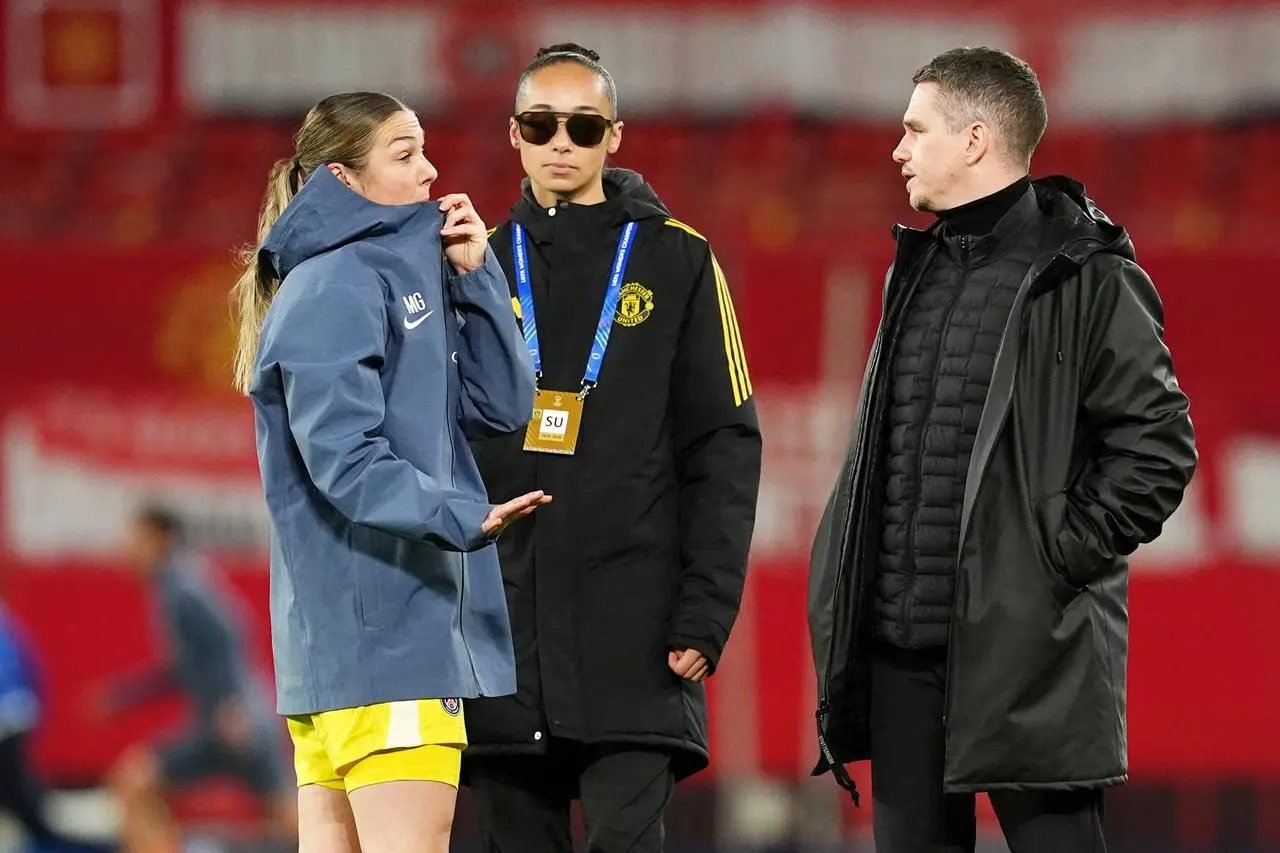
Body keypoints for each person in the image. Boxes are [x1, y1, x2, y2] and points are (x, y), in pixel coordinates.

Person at [807, 47, 1197, 853]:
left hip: (1029, 647)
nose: (898, 149)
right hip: (902, 651)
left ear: (976, 138)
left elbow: (1157, 446)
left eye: (916, 129)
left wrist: (1050, 561)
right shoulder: (911, 268)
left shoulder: (1087, 274)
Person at [461, 44, 763, 853]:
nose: (563, 141)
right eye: (542, 123)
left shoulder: (678, 258)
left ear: (615, 137)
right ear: (514, 135)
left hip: (636, 637)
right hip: (503, 640)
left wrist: (707, 609)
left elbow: (726, 445)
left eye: (584, 125)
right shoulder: (475, 264)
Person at [231, 91, 548, 853]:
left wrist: (476, 277)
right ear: (342, 179)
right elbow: (345, 457)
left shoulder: (384, 275)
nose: (430, 172)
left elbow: (505, 406)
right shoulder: (340, 282)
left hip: (350, 650)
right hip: (388, 640)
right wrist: (461, 515)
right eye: (405, 156)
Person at [98, 505, 294, 853]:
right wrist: (123, 699)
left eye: (135, 537)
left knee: (287, 813)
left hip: (238, 723)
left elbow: (232, 632)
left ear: (160, 538)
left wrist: (233, 704)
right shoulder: (169, 586)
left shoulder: (184, 584)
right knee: (135, 784)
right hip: (218, 725)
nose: (126, 546)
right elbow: (180, 670)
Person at [0, 601, 81, 851]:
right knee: (25, 807)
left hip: (9, 718)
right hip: (20, 714)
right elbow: (32, 668)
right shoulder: (6, 618)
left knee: (27, 811)